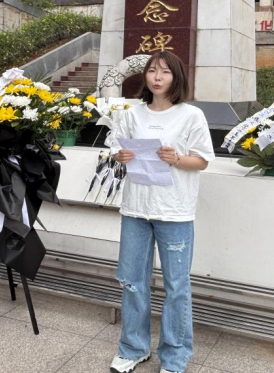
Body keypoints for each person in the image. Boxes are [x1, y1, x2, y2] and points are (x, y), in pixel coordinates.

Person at [108, 50, 215, 373]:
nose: (157, 77)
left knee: (176, 287)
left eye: (165, 72)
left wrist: (176, 159)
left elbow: (202, 160)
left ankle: (175, 357)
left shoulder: (191, 115)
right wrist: (121, 156)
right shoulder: (132, 113)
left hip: (174, 211)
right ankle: (133, 348)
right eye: (152, 70)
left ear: (176, 77)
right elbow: (117, 148)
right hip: (136, 209)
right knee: (133, 281)